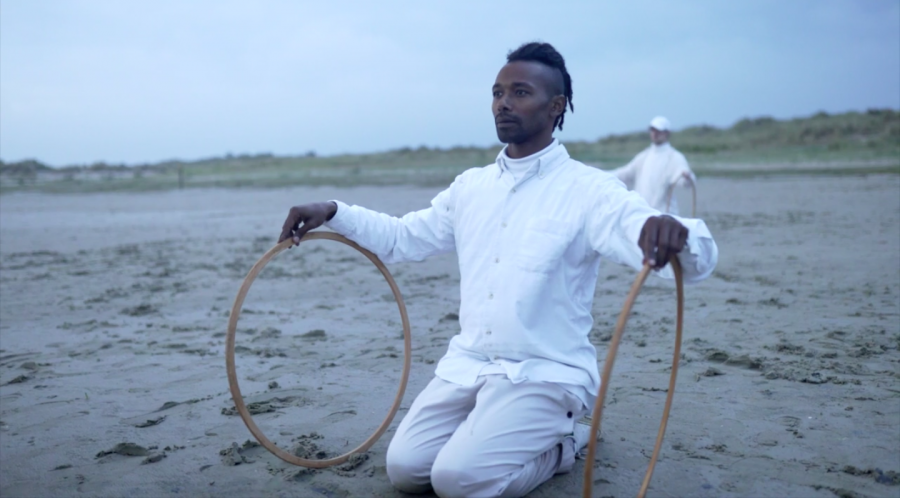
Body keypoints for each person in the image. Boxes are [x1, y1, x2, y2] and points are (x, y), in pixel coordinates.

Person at [279, 42, 718, 498]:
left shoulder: (591, 191)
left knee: (456, 480)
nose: (503, 103)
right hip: (468, 364)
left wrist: (675, 232)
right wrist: (333, 210)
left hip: (547, 373)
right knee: (406, 471)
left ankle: (564, 444)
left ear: (556, 106)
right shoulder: (472, 187)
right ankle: (493, 433)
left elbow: (690, 255)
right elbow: (401, 238)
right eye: (497, 92)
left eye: (520, 92)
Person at [612, 116, 697, 215]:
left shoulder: (674, 157)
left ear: (667, 133)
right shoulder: (644, 156)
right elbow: (624, 173)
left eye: (659, 130)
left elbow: (685, 180)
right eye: (652, 130)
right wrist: (600, 174)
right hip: (642, 214)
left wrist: (687, 178)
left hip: (665, 216)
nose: (655, 134)